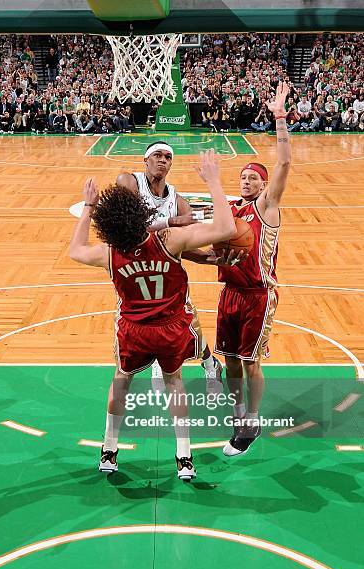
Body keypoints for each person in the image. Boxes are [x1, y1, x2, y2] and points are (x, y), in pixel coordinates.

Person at [69, 150, 237, 479]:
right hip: (171, 328)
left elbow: (75, 250)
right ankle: (184, 457)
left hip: (133, 330)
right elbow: (225, 226)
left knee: (121, 383)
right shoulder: (169, 240)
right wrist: (213, 180)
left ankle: (109, 450)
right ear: (141, 212)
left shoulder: (109, 253)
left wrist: (88, 207)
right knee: (175, 383)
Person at [215, 81, 291, 456]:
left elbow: (284, 163)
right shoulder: (231, 209)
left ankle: (254, 420)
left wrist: (279, 116)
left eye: (253, 178)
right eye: (243, 177)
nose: (246, 181)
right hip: (229, 293)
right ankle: (238, 413)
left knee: (251, 362)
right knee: (230, 359)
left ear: (264, 186)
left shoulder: (267, 207)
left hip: (258, 295)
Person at [116, 141, 225, 393]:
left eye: (167, 156)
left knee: (187, 322)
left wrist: (211, 258)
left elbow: (185, 246)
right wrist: (172, 221)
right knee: (140, 325)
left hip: (166, 274)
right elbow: (126, 226)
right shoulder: (128, 182)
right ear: (146, 160)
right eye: (157, 155)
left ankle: (209, 364)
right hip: (131, 272)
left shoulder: (177, 199)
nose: (163, 160)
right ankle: (161, 361)